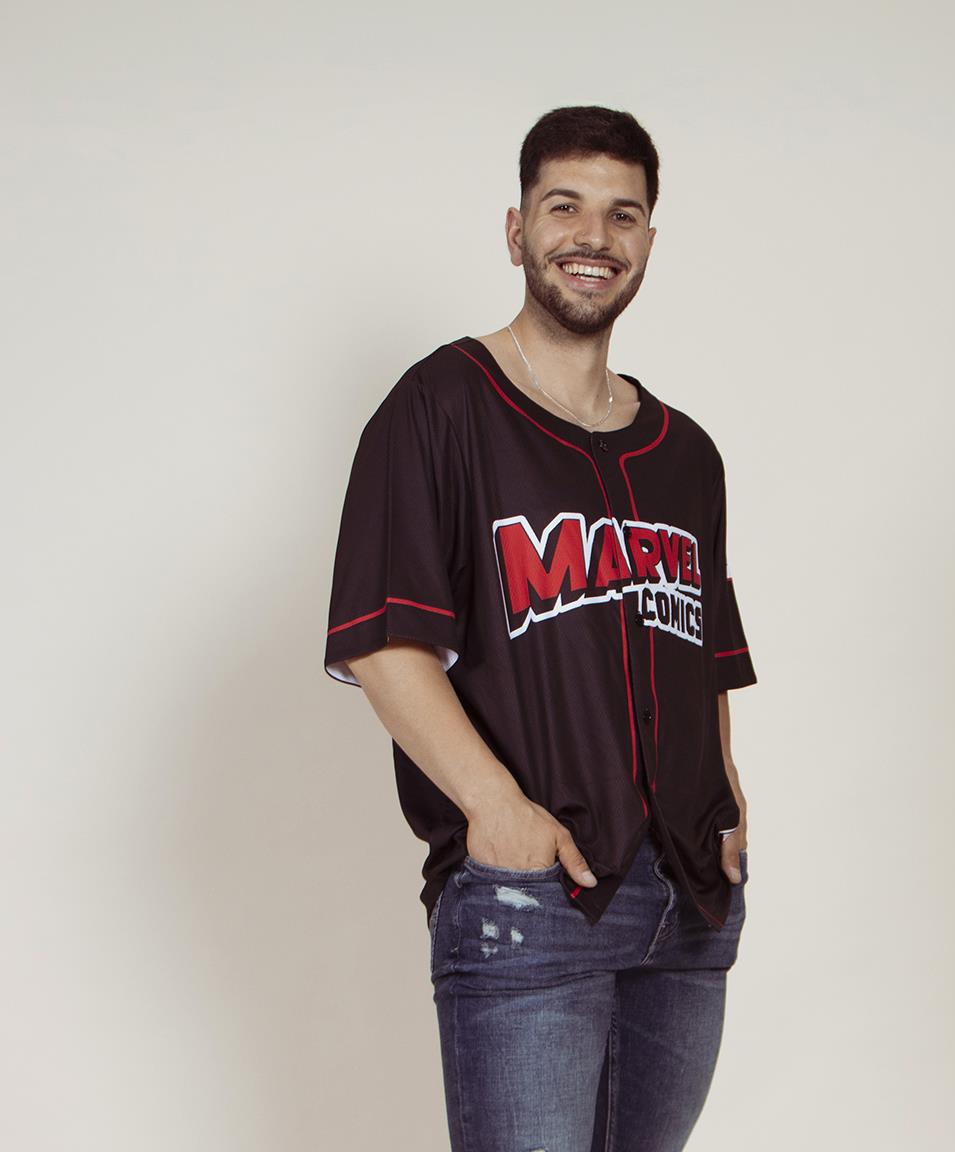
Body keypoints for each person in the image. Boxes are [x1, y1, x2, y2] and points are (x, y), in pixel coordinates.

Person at [324, 105, 757, 1152]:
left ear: (648, 240)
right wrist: (496, 811)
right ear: (517, 230)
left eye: (623, 214)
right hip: (533, 896)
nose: (593, 236)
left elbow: (703, 651)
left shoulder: (686, 454)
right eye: (565, 207)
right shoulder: (441, 407)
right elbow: (383, 640)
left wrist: (729, 794)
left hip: (689, 903)